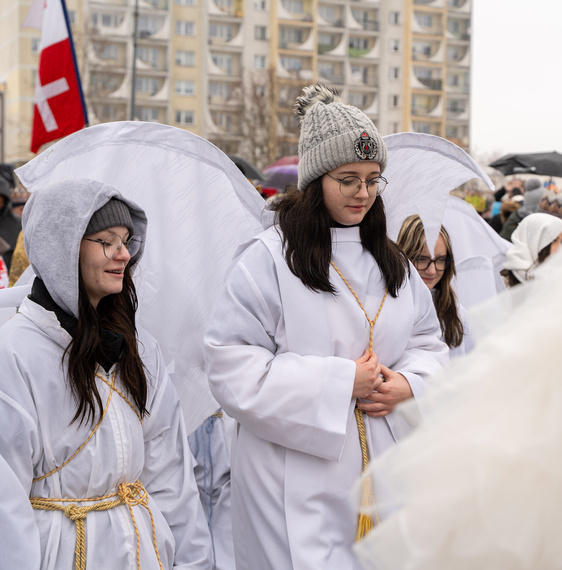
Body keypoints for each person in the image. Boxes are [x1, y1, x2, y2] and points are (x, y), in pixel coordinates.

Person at [204, 84, 448, 569]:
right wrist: (339, 384)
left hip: (382, 465)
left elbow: (428, 342)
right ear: (316, 179)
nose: (363, 193)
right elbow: (230, 364)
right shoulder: (269, 259)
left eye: (373, 179)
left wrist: (409, 384)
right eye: (348, 179)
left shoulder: (392, 262)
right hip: (291, 476)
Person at [0, 178, 213, 569]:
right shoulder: (6, 365)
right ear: (62, 248)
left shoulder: (139, 349)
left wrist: (191, 563)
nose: (122, 255)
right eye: (107, 241)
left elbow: (171, 480)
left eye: (126, 241)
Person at [397, 214, 473, 357]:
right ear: (404, 257)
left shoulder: (455, 312)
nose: (431, 271)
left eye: (440, 260)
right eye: (422, 259)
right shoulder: (386, 306)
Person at [501, 212, 562, 287]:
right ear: (533, 240)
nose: (560, 249)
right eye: (554, 241)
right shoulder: (501, 284)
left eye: (561, 242)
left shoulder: (561, 278)